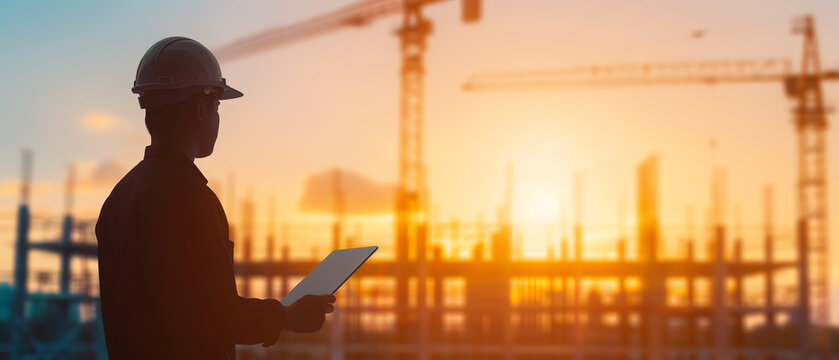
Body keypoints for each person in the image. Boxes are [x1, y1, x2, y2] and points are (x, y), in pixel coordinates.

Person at [95, 36, 335, 359]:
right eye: (217, 106)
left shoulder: (117, 200)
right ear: (199, 108)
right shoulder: (192, 200)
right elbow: (217, 316)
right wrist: (289, 315)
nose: (218, 118)